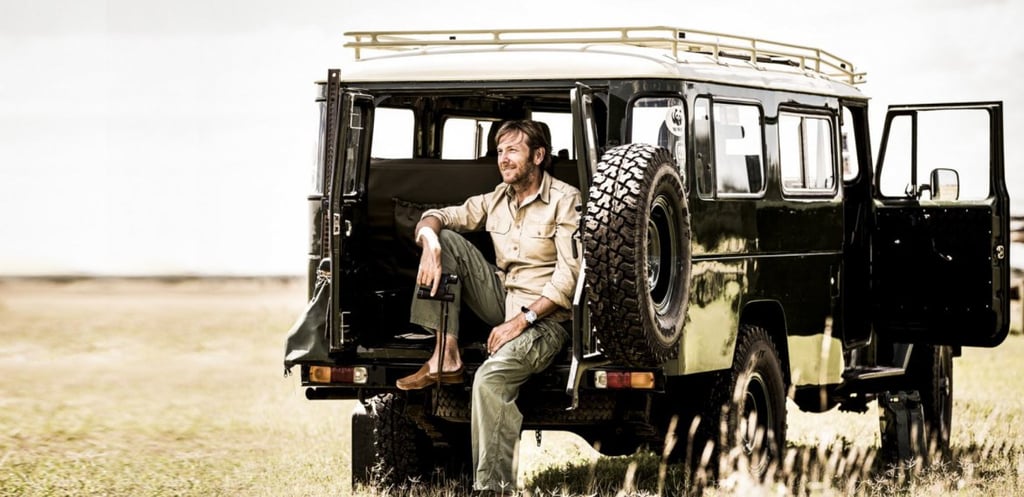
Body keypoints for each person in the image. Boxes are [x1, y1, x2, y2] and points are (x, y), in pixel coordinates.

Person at [394, 119, 581, 493]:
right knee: (445, 237)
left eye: (513, 150)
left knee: (489, 380)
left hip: (547, 320)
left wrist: (523, 320)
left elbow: (570, 277)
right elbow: (443, 216)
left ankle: (492, 488)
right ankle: (444, 355)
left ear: (538, 156)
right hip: (503, 300)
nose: (503, 159)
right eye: (499, 151)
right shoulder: (497, 198)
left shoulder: (565, 199)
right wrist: (429, 241)